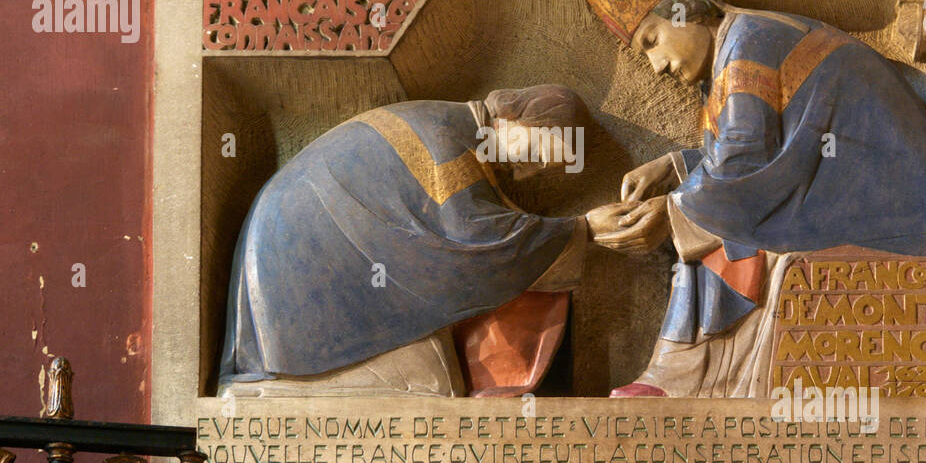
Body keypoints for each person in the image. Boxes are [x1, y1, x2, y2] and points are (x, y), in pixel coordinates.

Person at [582, 0, 926, 398]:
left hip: (892, 201)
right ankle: (687, 373)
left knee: (711, 218)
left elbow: (744, 159)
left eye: (652, 40)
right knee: (705, 209)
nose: (658, 65)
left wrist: (671, 210)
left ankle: (681, 375)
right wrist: (673, 168)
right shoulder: (740, 43)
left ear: (687, 10)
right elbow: (751, 152)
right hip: (854, 186)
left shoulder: (749, 44)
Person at [219, 85, 626, 397]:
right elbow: (477, 242)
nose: (528, 172)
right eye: (537, 153)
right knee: (432, 387)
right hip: (304, 272)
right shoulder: (450, 144)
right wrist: (582, 229)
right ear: (509, 117)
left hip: (307, 264)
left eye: (542, 169)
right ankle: (291, 377)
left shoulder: (451, 130)